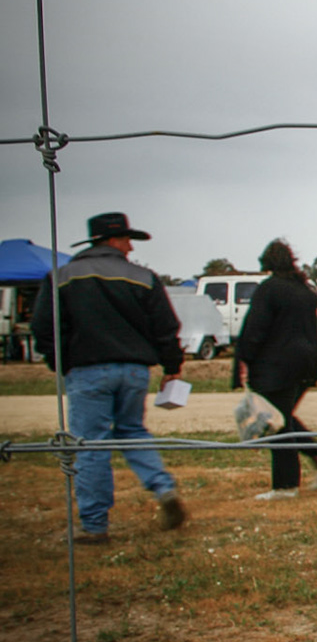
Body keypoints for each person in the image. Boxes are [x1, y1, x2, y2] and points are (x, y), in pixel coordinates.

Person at [30, 211, 189, 543]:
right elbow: (165, 328)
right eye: (128, 240)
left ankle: (94, 525)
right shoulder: (143, 277)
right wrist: (172, 366)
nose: (131, 247)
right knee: (132, 431)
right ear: (114, 241)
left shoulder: (61, 277)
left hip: (87, 370)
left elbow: (44, 328)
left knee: (91, 445)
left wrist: (61, 363)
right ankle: (163, 488)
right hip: (134, 370)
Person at [233, 239, 317, 500]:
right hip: (309, 361)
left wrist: (243, 360)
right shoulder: (304, 289)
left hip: (277, 365)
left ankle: (285, 486)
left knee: (278, 425)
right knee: (283, 415)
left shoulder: (269, 290)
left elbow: (254, 330)